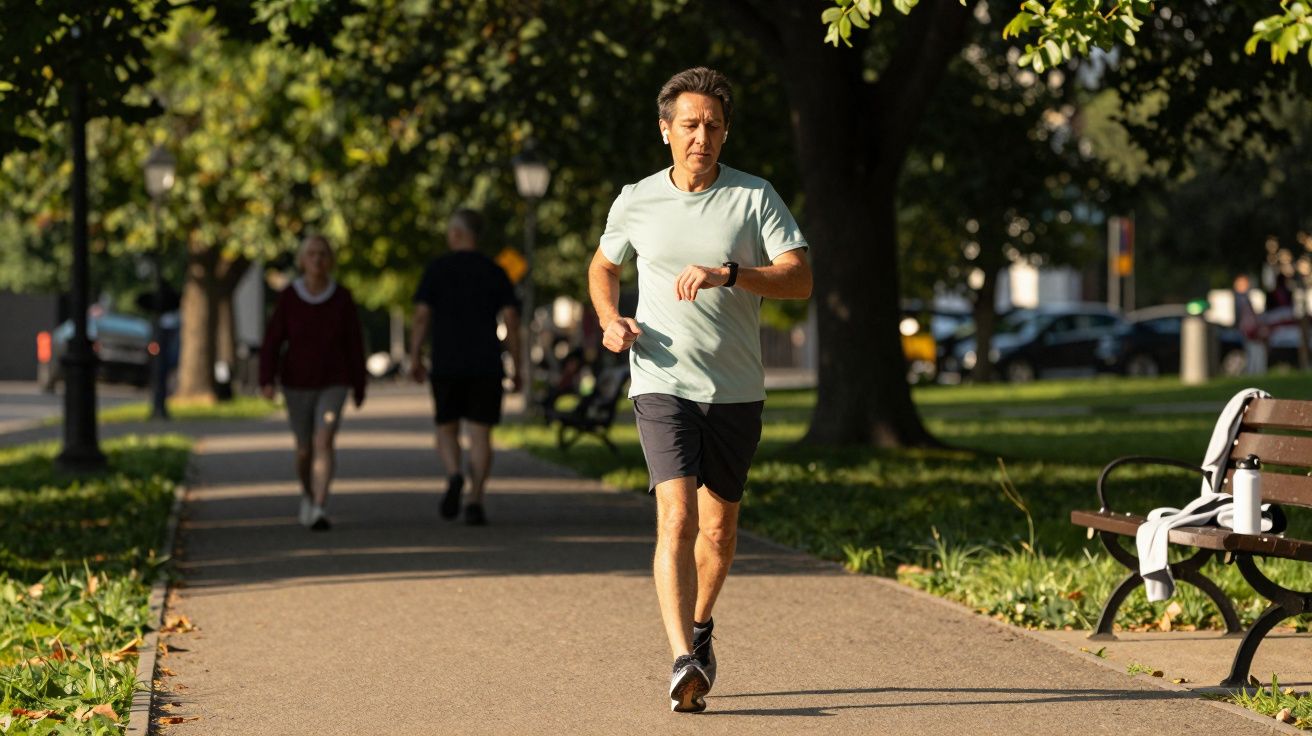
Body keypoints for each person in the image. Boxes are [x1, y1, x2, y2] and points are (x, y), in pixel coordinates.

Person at [587, 66, 812, 713]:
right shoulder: (636, 200)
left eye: (713, 126)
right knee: (678, 517)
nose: (701, 137)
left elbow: (799, 279)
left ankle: (702, 624)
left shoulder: (754, 198)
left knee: (719, 532)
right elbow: (604, 265)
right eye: (689, 125)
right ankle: (683, 657)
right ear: (665, 130)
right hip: (659, 380)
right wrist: (610, 319)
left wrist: (732, 273)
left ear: (725, 131)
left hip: (736, 388)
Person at [409, 208, 524, 526]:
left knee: (446, 428)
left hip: (447, 362)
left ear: (458, 234)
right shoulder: (495, 271)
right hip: (486, 363)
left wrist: (415, 355)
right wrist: (516, 365)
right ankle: (475, 499)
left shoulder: (436, 269)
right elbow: (511, 321)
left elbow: (421, 316)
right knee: (480, 434)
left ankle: (454, 474)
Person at [259, 234, 367, 531]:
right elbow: (272, 341)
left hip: (334, 380)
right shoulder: (289, 298)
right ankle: (306, 494)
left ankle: (319, 505)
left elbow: (354, 344)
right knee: (304, 447)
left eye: (322, 254)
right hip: (297, 382)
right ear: (302, 260)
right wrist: (266, 379)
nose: (317, 260)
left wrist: (359, 385)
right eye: (311, 254)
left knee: (324, 439)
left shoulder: (342, 297)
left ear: (329, 260)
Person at [1234, 273, 1268, 376]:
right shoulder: (1240, 299)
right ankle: (1253, 371)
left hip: (1250, 328)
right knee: (1252, 350)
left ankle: (1255, 371)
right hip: (1248, 329)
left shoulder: (1246, 298)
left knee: (1255, 350)